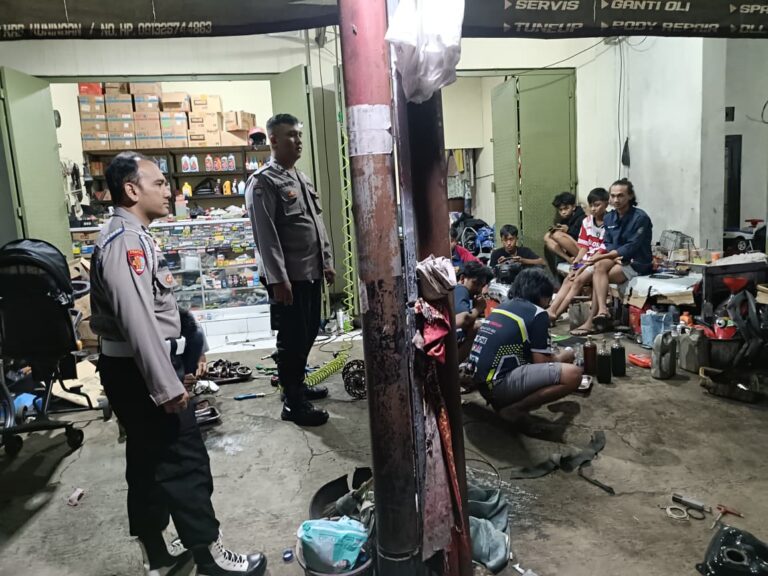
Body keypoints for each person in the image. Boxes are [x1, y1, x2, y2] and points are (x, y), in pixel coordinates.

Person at [90, 152, 267, 576]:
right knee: (184, 460)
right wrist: (166, 387)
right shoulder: (126, 242)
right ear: (131, 190)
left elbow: (157, 311)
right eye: (158, 183)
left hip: (132, 370)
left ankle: (157, 555)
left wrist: (190, 344)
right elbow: (138, 322)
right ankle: (210, 556)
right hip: (142, 371)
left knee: (148, 461)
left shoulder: (131, 235)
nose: (169, 190)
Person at [245, 113, 335, 427]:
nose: (298, 141)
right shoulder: (263, 182)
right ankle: (293, 403)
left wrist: (326, 262)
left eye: (299, 135)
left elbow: (316, 225)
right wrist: (278, 279)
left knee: (308, 332)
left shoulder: (300, 178)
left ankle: (296, 385)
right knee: (292, 339)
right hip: (289, 278)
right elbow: (265, 236)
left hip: (310, 272)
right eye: (291, 135)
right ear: (273, 140)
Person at [461, 268, 582, 420]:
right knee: (573, 374)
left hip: (482, 385)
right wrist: (567, 354)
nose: (549, 302)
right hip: (497, 387)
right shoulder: (538, 313)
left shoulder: (502, 307)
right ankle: (514, 410)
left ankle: (507, 403)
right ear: (541, 294)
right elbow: (541, 363)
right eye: (548, 297)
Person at [580, 178, 653, 333]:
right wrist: (610, 256)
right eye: (613, 196)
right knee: (599, 268)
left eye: (620, 195)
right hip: (616, 258)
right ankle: (602, 311)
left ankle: (593, 320)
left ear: (630, 196)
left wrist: (604, 256)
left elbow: (632, 246)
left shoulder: (640, 218)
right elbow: (608, 242)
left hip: (636, 262)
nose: (616, 200)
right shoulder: (609, 217)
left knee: (600, 276)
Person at [548, 187, 609, 327]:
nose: (593, 209)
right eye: (591, 205)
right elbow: (584, 247)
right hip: (588, 258)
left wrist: (583, 267)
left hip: (600, 259)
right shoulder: (587, 221)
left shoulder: (610, 222)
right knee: (569, 278)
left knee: (577, 280)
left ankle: (555, 314)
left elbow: (604, 249)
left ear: (606, 204)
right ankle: (551, 310)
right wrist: (576, 262)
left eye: (597, 205)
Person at [454, 261, 493, 360]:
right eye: (476, 283)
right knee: (479, 327)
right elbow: (462, 320)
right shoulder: (461, 289)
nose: (479, 290)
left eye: (482, 286)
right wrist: (478, 308)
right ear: (462, 278)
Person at [544, 191, 585, 265]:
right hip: (569, 251)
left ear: (573, 207)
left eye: (566, 208)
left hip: (582, 250)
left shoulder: (582, 217)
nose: (563, 212)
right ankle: (568, 259)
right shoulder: (565, 219)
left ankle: (579, 259)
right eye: (560, 210)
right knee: (547, 237)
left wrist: (568, 230)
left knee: (557, 235)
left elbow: (582, 238)